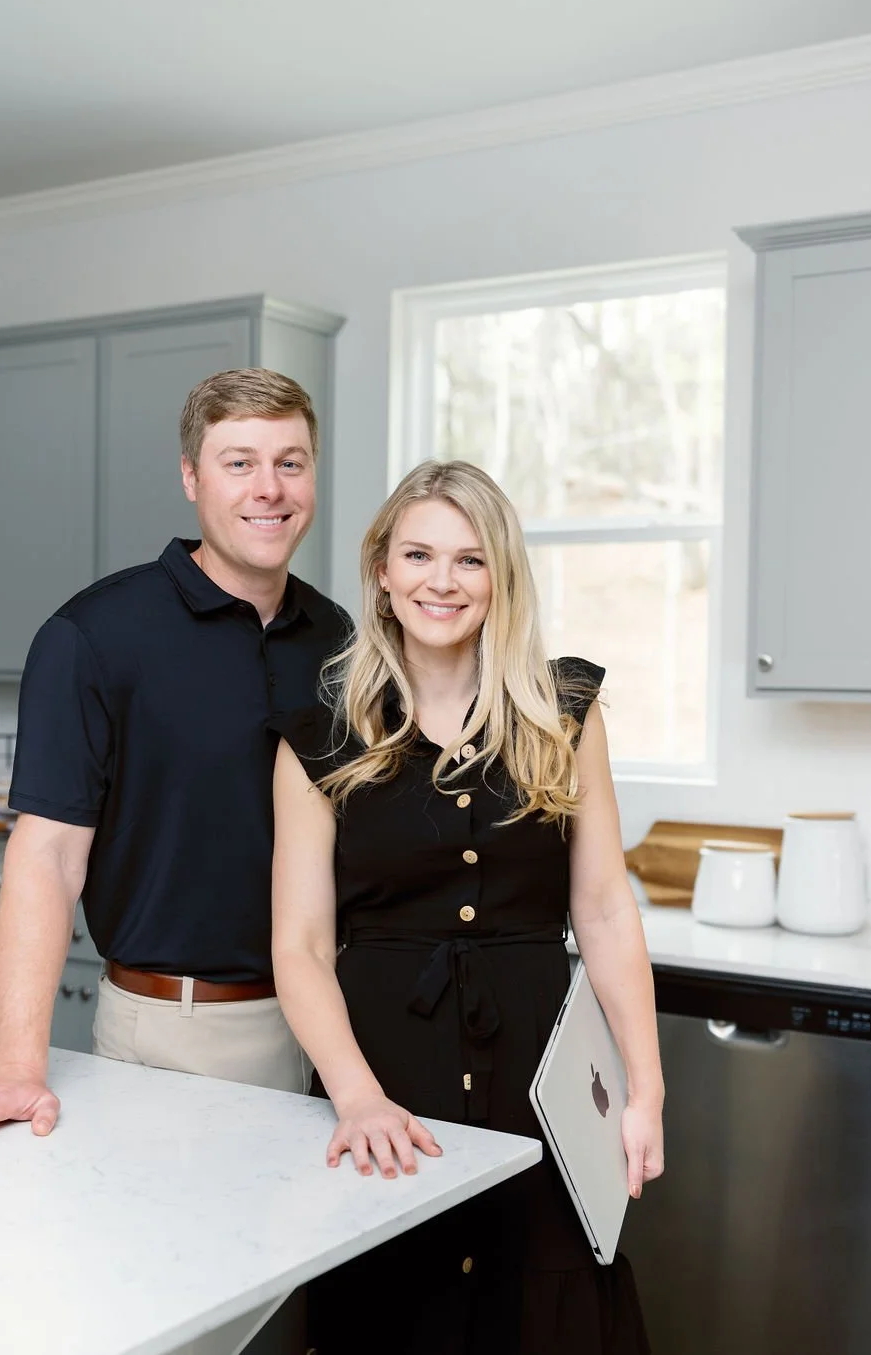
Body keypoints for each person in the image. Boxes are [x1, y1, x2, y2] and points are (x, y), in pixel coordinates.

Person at [0, 368, 350, 1152]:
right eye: (239, 462)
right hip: (170, 1028)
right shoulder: (95, 635)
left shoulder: (339, 638)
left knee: (299, 1274)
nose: (269, 488)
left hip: (326, 1029)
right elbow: (47, 855)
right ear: (190, 476)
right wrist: (15, 1064)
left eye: (291, 462)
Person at [268, 459, 664, 1355]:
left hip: (543, 1075)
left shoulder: (564, 711)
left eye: (470, 559)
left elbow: (603, 908)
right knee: (398, 1309)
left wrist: (646, 1088)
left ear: (502, 577)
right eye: (418, 554)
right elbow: (298, 944)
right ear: (381, 570)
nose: (441, 581)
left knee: (547, 1306)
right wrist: (357, 1099)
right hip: (386, 1078)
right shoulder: (318, 736)